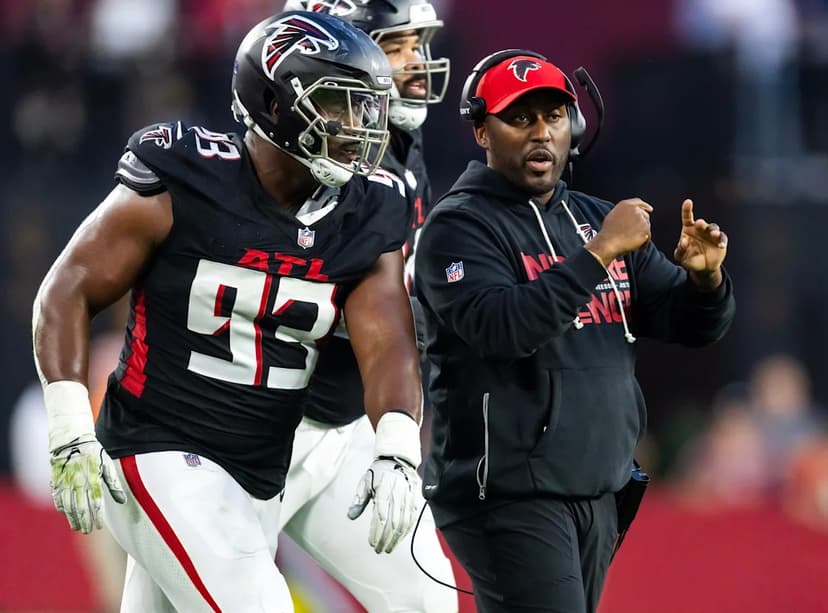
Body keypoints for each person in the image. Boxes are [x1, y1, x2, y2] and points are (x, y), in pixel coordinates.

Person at [31, 10, 425, 612]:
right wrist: (67, 426)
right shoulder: (187, 175)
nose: (359, 127)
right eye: (338, 104)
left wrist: (396, 444)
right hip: (158, 449)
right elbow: (67, 290)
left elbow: (388, 339)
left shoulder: (368, 209)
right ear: (273, 103)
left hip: (263, 467)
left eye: (365, 107)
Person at [414, 49, 736, 613]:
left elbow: (690, 325)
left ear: (575, 126)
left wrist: (706, 281)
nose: (541, 132)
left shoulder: (593, 217)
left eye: (554, 116)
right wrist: (600, 252)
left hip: (597, 487)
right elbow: (503, 328)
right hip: (506, 493)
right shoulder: (457, 227)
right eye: (519, 118)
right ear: (481, 131)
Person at [273, 1, 457, 611]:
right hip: (249, 428)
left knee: (427, 601)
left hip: (347, 425)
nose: (415, 62)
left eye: (417, 44)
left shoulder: (399, 145)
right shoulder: (301, 162)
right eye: (395, 46)